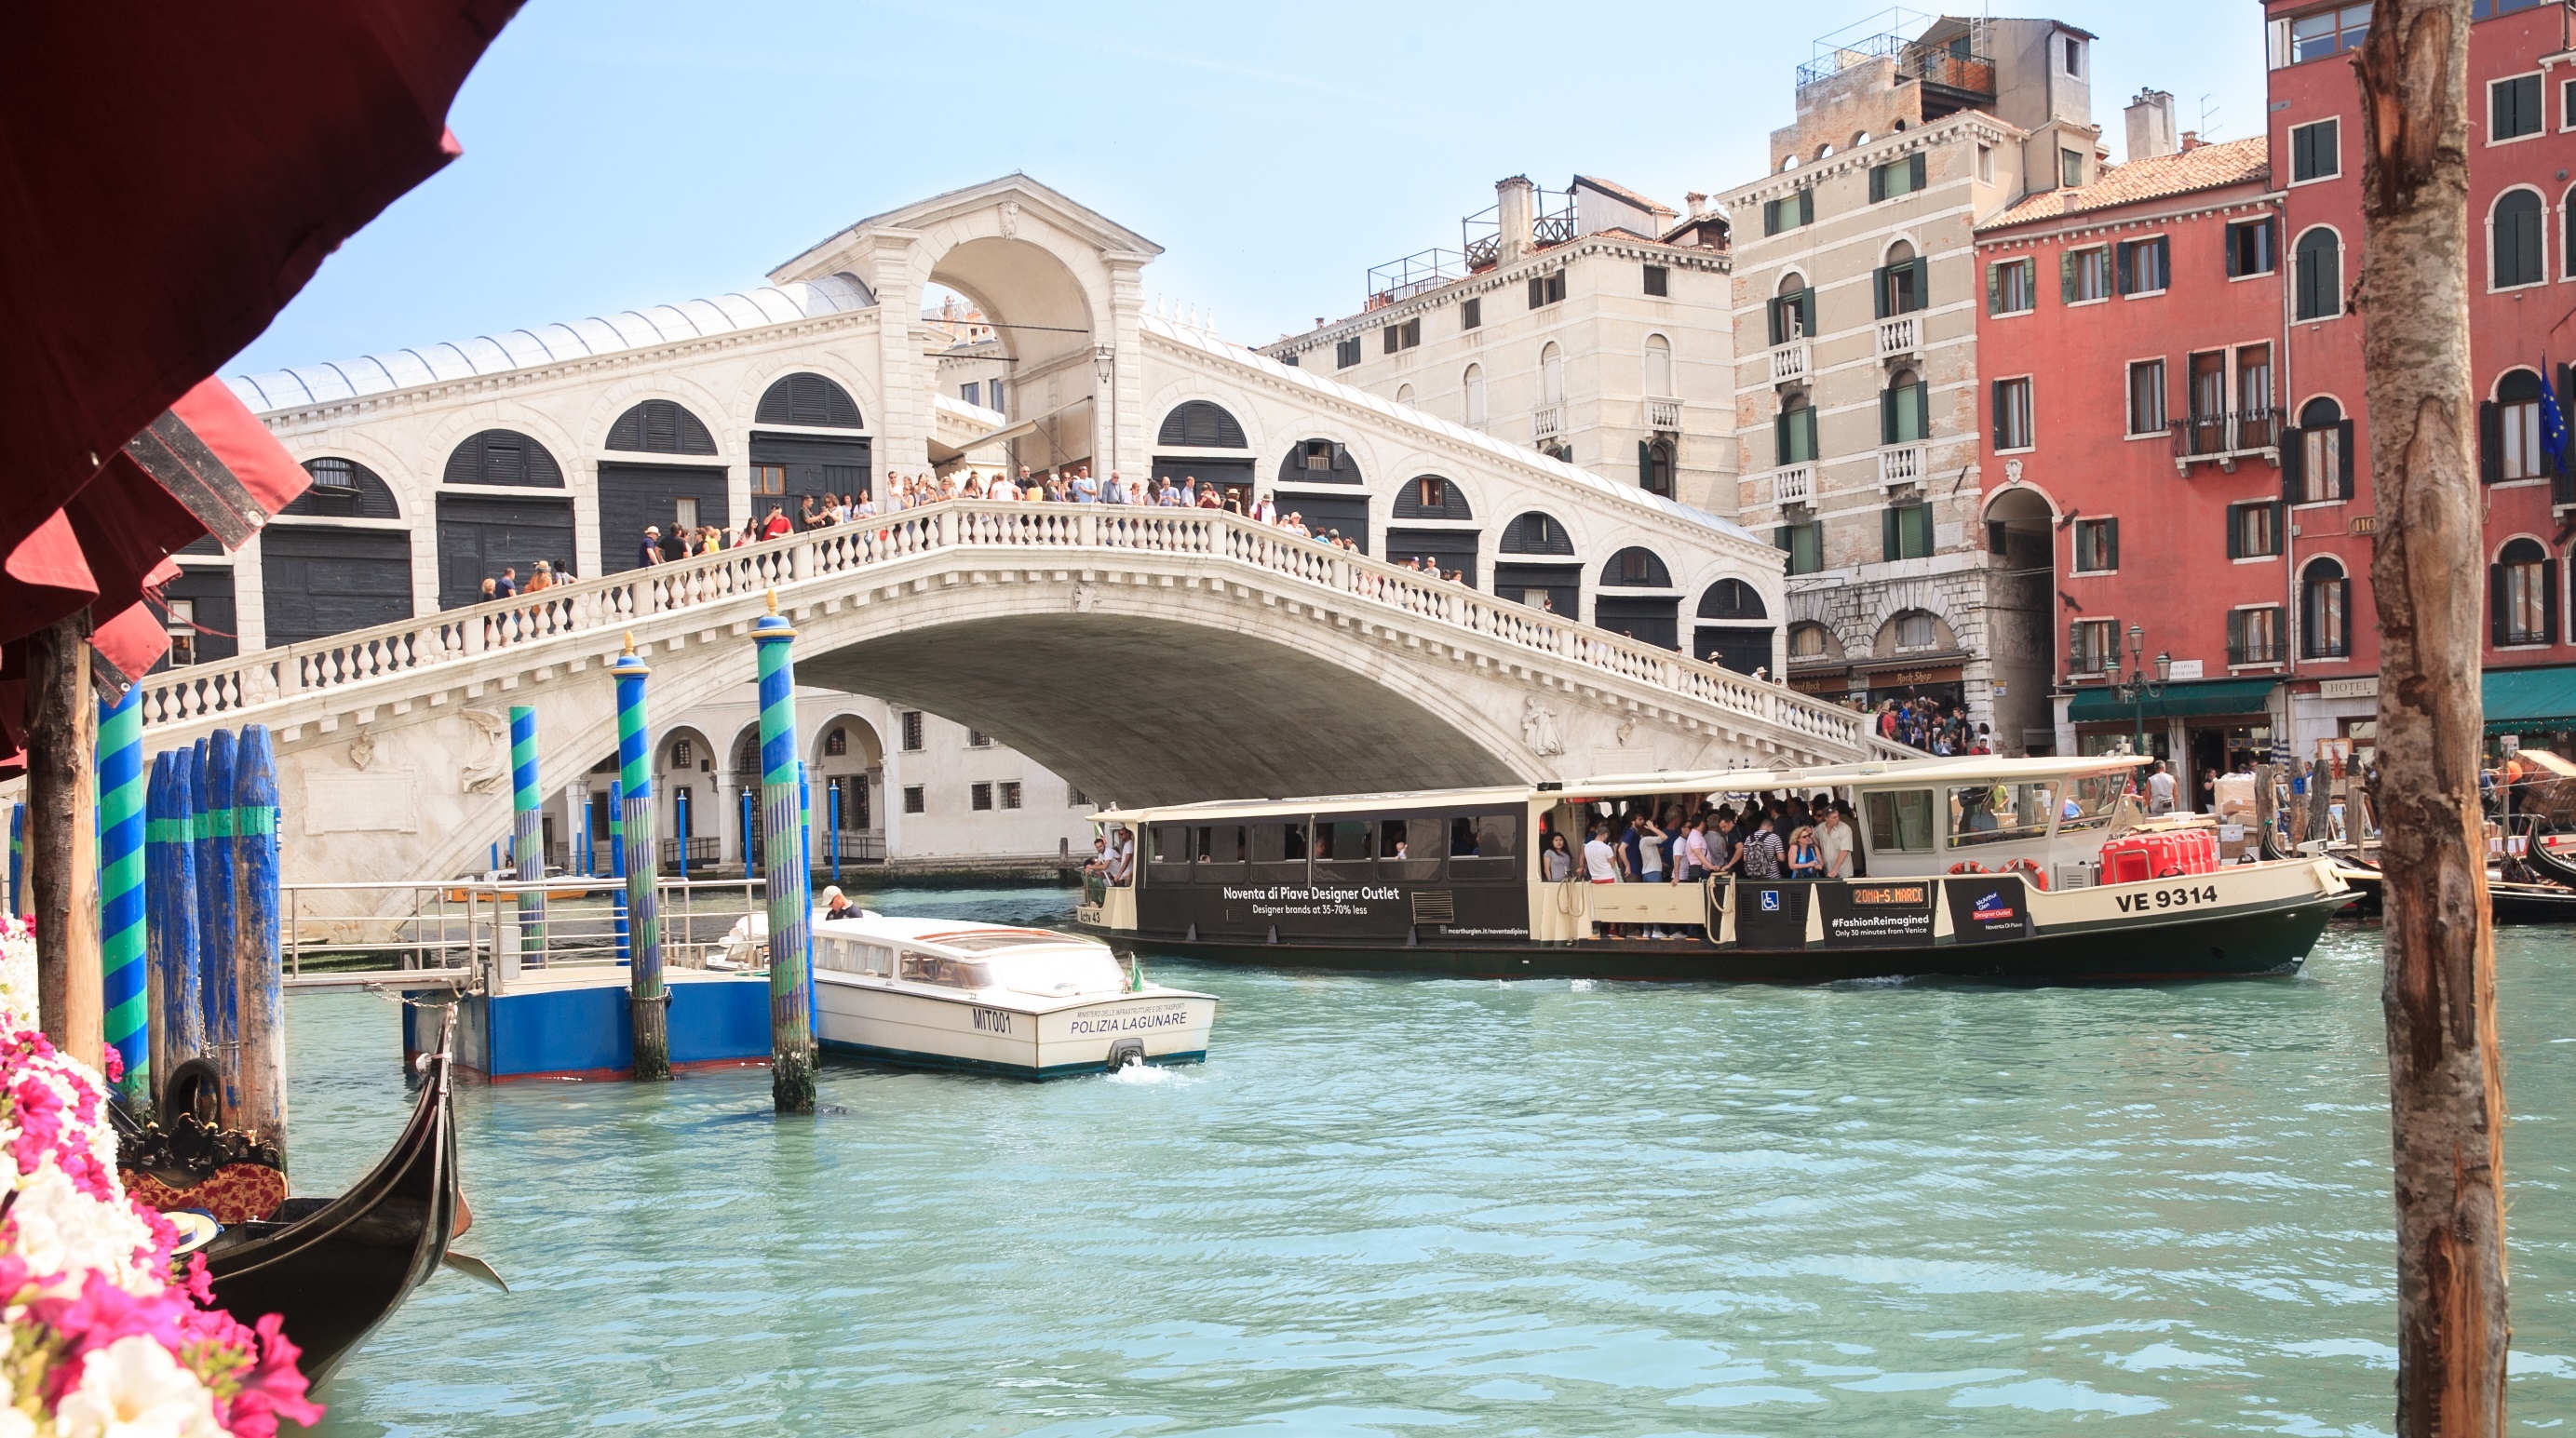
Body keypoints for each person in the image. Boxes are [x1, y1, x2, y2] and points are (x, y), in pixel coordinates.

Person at [1738, 815, 1785, 880]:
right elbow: (1782, 858)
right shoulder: (1775, 837)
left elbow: (1745, 859)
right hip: (1773, 876)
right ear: (1771, 827)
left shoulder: (1749, 838)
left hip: (1755, 877)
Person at [1815, 805, 1854, 879]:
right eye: (1834, 817)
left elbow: (1844, 851)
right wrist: (1813, 837)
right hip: (1827, 870)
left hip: (1843, 872)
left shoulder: (1845, 829)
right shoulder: (1820, 828)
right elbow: (1819, 845)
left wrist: (1835, 870)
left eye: (1838, 816)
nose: (1837, 819)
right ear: (1826, 818)